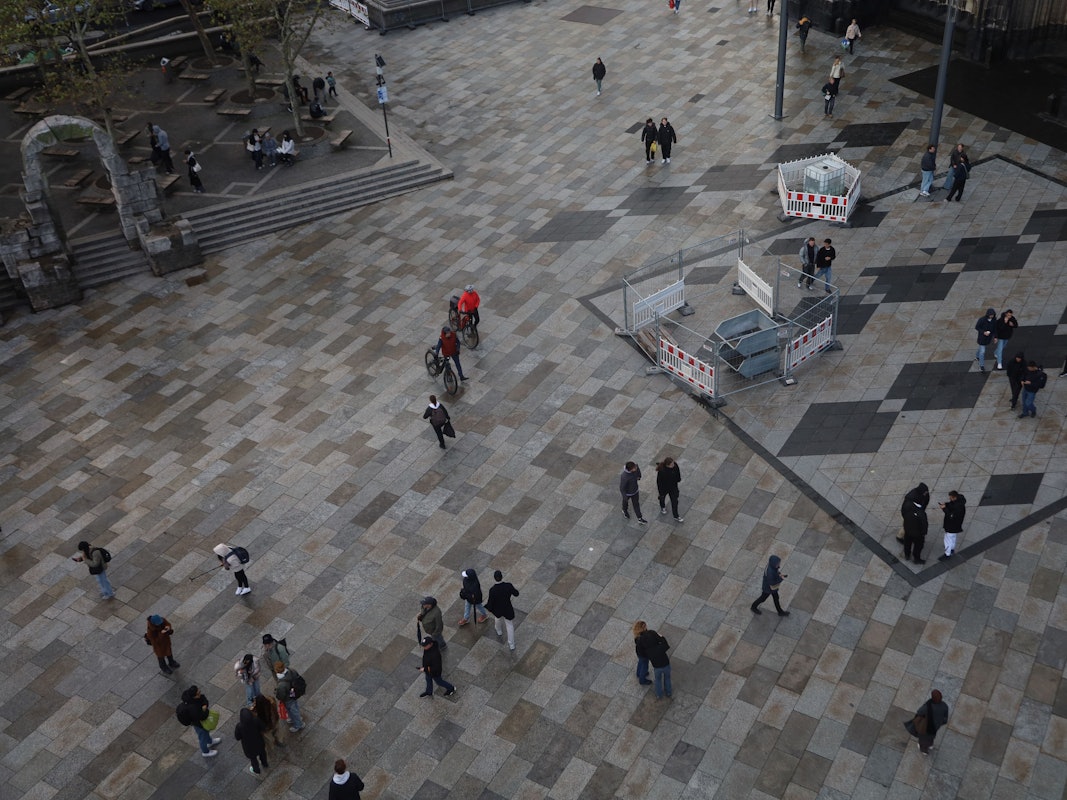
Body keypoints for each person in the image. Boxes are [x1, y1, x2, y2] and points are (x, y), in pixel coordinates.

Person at [176, 685, 220, 757]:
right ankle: (205, 752)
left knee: (206, 732)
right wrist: (205, 710)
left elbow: (203, 698)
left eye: (199, 691)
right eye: (198, 693)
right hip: (198, 724)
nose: (200, 694)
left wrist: (205, 704)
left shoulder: (194, 698)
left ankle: (210, 741)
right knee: (202, 736)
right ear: (194, 696)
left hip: (199, 722)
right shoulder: (192, 708)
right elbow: (202, 716)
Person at [905, 690, 950, 754]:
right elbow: (945, 719)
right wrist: (939, 723)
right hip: (935, 727)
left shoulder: (928, 706)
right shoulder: (944, 706)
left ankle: (923, 750)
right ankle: (930, 745)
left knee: (923, 739)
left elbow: (919, 711)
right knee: (931, 737)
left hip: (926, 727)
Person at [485, 570, 520, 650]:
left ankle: (499, 630)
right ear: (502, 577)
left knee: (497, 618)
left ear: (494, 578)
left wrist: (489, 608)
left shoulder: (492, 590)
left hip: (498, 609)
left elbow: (490, 601)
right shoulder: (508, 586)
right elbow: (516, 593)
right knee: (509, 625)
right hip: (507, 608)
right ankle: (511, 644)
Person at [634, 625, 671, 698]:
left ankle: (659, 694)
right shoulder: (660, 647)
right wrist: (662, 637)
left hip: (657, 667)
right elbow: (666, 645)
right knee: (667, 678)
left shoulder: (648, 652)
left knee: (658, 680)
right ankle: (668, 692)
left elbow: (643, 654)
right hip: (666, 665)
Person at [234, 706, 269, 776]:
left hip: (249, 748)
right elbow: (263, 727)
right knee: (262, 754)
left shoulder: (239, 726)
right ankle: (265, 763)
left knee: (253, 759)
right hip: (259, 743)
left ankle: (256, 770)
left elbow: (237, 737)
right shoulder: (256, 720)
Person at [274, 661, 306, 732]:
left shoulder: (281, 684)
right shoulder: (291, 670)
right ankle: (295, 718)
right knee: (294, 706)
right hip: (294, 693)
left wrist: (276, 692)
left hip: (288, 697)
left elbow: (280, 695)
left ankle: (298, 724)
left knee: (292, 709)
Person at [937, 491, 966, 561]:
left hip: (951, 525)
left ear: (954, 497)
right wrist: (946, 505)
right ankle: (952, 549)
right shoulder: (960, 501)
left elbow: (950, 515)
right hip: (956, 525)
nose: (950, 499)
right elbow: (952, 504)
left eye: (950, 498)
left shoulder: (957, 507)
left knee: (947, 540)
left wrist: (944, 508)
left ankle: (947, 554)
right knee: (953, 537)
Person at [902, 492, 929, 565]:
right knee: (918, 546)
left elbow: (903, 514)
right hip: (917, 534)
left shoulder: (907, 507)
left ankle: (907, 555)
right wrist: (923, 533)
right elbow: (924, 524)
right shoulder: (921, 513)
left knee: (907, 543)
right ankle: (916, 558)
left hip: (908, 530)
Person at [656, 457, 683, 522]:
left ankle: (676, 516)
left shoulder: (675, 465)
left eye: (673, 463)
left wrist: (678, 479)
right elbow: (659, 482)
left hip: (673, 487)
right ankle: (663, 507)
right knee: (662, 498)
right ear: (667, 465)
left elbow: (678, 472)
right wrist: (661, 492)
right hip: (664, 488)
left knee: (674, 502)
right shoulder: (662, 471)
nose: (673, 465)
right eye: (671, 464)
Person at [974, 307, 997, 373]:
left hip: (988, 338)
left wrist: (995, 337)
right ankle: (982, 366)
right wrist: (983, 332)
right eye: (990, 315)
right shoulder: (982, 320)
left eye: (992, 315)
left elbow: (995, 329)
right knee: (982, 351)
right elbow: (977, 327)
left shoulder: (994, 320)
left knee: (981, 348)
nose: (991, 316)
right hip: (982, 338)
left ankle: (977, 356)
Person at [632, 621, 653, 686]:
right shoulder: (643, 637)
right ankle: (642, 680)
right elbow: (647, 645)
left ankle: (638, 673)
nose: (646, 627)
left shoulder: (637, 635)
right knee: (645, 666)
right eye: (645, 626)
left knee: (640, 662)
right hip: (644, 655)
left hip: (639, 653)